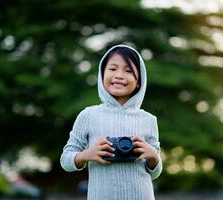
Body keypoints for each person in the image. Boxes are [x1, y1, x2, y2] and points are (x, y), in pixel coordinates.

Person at [60, 44, 162, 200]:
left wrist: (153, 157)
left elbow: (155, 172)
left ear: (139, 81)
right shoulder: (89, 115)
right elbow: (65, 160)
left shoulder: (148, 120)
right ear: (102, 75)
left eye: (128, 71)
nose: (119, 75)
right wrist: (87, 155)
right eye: (113, 69)